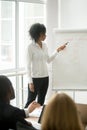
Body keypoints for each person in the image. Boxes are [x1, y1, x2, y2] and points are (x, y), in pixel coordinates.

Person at [25, 23, 67, 108]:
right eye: (43, 34)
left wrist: (57, 50)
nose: (45, 35)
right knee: (30, 102)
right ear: (38, 34)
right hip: (35, 79)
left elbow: (48, 60)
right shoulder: (30, 47)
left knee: (41, 101)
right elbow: (27, 66)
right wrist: (30, 82)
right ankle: (23, 119)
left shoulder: (44, 45)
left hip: (45, 78)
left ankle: (39, 120)